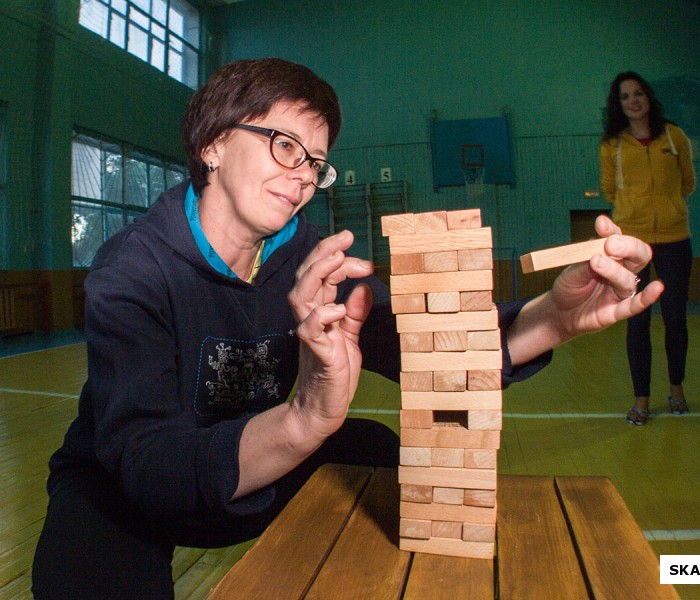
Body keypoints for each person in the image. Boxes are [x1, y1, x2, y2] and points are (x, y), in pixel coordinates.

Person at [32, 58, 662, 599]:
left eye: (316, 162)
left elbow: (424, 342)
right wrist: (304, 417)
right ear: (213, 144)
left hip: (247, 466)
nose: (304, 174)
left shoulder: (307, 254)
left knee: (370, 451)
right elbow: (150, 466)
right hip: (125, 487)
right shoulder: (132, 269)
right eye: (285, 145)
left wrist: (555, 317)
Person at [599, 71, 696, 426]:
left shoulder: (675, 136)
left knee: (675, 317)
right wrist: (635, 213)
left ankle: (677, 389)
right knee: (637, 323)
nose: (633, 101)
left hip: (675, 240)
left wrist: (667, 208)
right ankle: (641, 399)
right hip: (632, 244)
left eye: (638, 93)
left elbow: (688, 181)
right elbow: (610, 190)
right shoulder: (612, 146)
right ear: (618, 104)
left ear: (648, 97)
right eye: (625, 96)